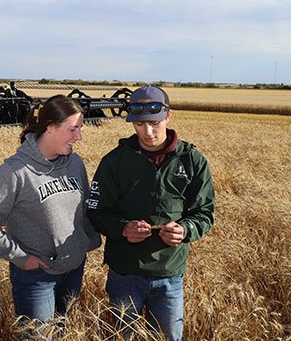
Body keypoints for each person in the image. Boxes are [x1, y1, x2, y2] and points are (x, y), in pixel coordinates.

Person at [86, 85, 215, 341]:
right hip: (125, 273)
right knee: (125, 337)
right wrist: (123, 228)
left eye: (154, 123)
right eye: (139, 124)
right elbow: (97, 212)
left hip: (169, 274)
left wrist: (185, 230)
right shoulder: (115, 161)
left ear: (168, 116)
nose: (147, 132)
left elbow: (204, 213)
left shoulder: (192, 161)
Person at [0, 94, 102, 330]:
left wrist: (88, 241)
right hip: (37, 277)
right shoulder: (15, 171)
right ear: (50, 128)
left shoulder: (75, 164)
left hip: (73, 269)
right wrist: (21, 258)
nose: (79, 136)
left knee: (64, 332)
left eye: (80, 128)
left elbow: (85, 207)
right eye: (73, 129)